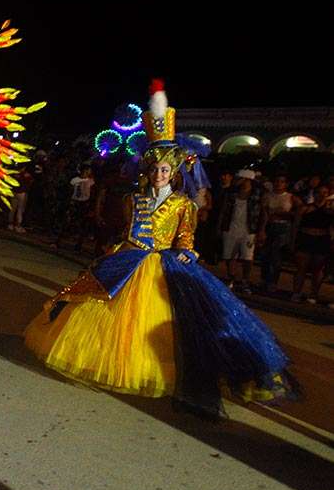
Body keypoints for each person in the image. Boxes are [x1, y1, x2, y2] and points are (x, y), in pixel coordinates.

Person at [24, 83, 296, 418]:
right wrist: (116, 249)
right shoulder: (132, 198)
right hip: (129, 259)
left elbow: (185, 236)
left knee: (174, 324)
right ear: (147, 169)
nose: (158, 174)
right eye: (154, 169)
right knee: (104, 313)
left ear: (174, 172)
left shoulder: (184, 204)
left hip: (166, 266)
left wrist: (187, 251)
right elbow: (126, 229)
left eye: (165, 169)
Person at [217, 172, 260, 295]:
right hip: (231, 228)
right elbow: (224, 210)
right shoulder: (231, 194)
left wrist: (260, 230)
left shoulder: (256, 196)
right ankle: (232, 278)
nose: (242, 182)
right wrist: (220, 227)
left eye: (244, 180)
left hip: (249, 230)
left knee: (247, 257)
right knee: (229, 255)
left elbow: (262, 212)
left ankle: (245, 280)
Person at [290, 185, 332, 304]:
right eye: (319, 192)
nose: (322, 195)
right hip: (306, 239)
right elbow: (296, 226)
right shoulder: (304, 208)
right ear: (314, 194)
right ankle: (296, 292)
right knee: (301, 268)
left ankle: (313, 294)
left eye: (325, 192)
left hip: (322, 240)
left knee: (318, 269)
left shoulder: (329, 211)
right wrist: (293, 242)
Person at [259, 174, 296, 294]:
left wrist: (287, 214)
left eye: (282, 182)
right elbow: (264, 214)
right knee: (265, 254)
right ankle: (264, 279)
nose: (279, 184)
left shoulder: (290, 197)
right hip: (270, 225)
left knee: (276, 255)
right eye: (277, 181)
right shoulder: (268, 196)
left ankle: (273, 282)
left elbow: (299, 211)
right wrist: (262, 230)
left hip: (283, 227)